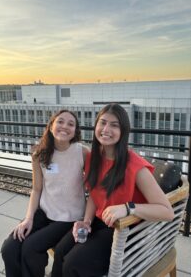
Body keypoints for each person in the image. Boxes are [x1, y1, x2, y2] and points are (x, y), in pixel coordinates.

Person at [52, 103, 174, 277]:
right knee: (61, 251)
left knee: (73, 265)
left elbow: (167, 212)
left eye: (114, 125)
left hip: (124, 231)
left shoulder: (134, 165)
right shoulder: (94, 157)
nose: (106, 129)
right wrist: (86, 221)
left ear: (123, 131)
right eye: (102, 123)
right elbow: (94, 195)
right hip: (100, 222)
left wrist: (128, 207)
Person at [1, 109, 89, 277]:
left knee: (30, 248)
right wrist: (29, 218)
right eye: (60, 122)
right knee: (9, 248)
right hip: (45, 212)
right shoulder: (39, 154)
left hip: (69, 217)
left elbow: (95, 183)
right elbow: (37, 189)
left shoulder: (82, 152)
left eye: (71, 124)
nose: (65, 126)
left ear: (75, 132)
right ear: (50, 126)